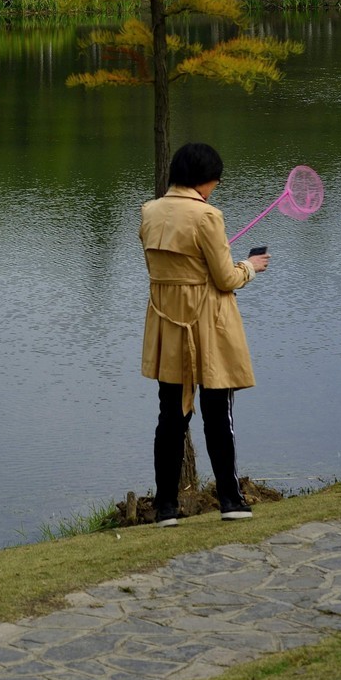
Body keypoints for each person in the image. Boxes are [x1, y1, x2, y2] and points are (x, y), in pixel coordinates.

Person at [140, 142, 269, 526]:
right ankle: (230, 500)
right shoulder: (208, 215)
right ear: (203, 179)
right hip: (207, 324)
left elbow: (174, 267)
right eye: (215, 181)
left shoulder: (149, 211)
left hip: (167, 324)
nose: (215, 188)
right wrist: (249, 265)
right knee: (217, 413)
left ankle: (166, 508)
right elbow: (225, 278)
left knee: (170, 416)